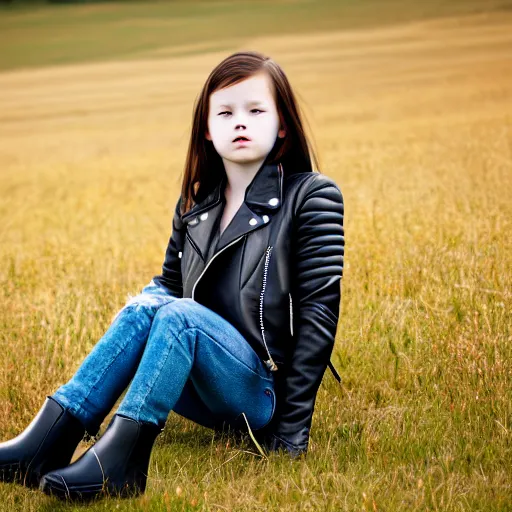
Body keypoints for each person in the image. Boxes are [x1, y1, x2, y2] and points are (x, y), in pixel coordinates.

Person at [0, 50, 345, 501]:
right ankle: (44, 444)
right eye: (225, 112)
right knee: (150, 303)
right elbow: (168, 286)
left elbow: (319, 315)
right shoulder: (195, 205)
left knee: (178, 313)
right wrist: (139, 309)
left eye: (256, 110)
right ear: (207, 128)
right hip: (201, 385)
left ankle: (120, 463)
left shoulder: (312, 196)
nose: (240, 121)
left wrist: (291, 431)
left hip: (260, 391)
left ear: (282, 125)